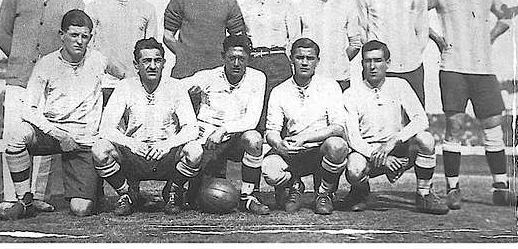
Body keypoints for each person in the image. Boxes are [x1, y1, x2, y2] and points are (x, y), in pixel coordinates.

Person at [0, 0, 86, 213]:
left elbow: (76, 37)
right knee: (14, 134)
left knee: (45, 135)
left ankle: (38, 195)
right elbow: (0, 33)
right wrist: (23, 57)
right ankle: (13, 197)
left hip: (53, 83)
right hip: (20, 79)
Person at [428, 0, 518, 209]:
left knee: (493, 126)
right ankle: (452, 189)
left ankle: (501, 188)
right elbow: (414, 13)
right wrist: (437, 38)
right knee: (456, 126)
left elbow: (507, 15)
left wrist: (491, 36)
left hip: (483, 70)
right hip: (453, 69)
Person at [0, 10, 116, 220]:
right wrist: (60, 135)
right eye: (74, 35)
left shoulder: (99, 60)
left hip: (84, 139)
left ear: (90, 37)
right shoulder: (46, 63)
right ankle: (25, 201)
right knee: (17, 136)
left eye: (85, 36)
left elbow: (126, 78)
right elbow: (29, 109)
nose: (79, 41)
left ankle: (93, 188)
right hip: (53, 133)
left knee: (81, 210)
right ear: (62, 35)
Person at [92, 38, 203, 216]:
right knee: (100, 149)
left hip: (166, 156)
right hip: (134, 156)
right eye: (146, 61)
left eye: (157, 60)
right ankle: (126, 193)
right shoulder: (125, 87)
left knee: (195, 150)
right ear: (136, 65)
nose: (152, 66)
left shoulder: (176, 87)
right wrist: (131, 143)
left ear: (164, 63)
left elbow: (192, 128)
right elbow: (106, 128)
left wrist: (167, 145)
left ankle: (173, 191)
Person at [341, 40, 449, 215]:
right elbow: (353, 137)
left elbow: (421, 120)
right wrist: (383, 158)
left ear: (387, 63)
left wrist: (393, 141)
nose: (373, 66)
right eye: (368, 61)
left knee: (426, 139)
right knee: (354, 169)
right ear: (362, 64)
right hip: (370, 154)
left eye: (378, 60)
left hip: (398, 148)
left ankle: (424, 193)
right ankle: (359, 193)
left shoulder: (400, 85)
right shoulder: (351, 94)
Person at [182, 34, 269, 215]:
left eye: (241, 59)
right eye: (231, 58)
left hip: (235, 137)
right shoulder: (208, 76)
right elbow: (174, 89)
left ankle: (249, 195)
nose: (236, 63)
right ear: (223, 57)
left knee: (254, 139)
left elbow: (252, 119)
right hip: (208, 137)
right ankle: (183, 191)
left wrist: (223, 130)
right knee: (200, 198)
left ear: (249, 58)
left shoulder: (257, 78)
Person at [262, 38, 349, 215]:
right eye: (299, 57)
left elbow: (338, 127)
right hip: (293, 151)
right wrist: (280, 145)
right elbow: (271, 130)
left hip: (319, 149)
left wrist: (306, 138)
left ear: (317, 61)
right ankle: (294, 185)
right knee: (270, 170)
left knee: (337, 146)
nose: (304, 62)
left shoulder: (329, 86)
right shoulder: (279, 90)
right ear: (291, 59)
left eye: (310, 58)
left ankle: (324, 194)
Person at [356, 0, 429, 106]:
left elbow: (422, 31)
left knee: (413, 123)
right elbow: (363, 33)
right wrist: (376, 62)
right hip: (379, 70)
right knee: (376, 121)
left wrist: (410, 56)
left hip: (411, 68)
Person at [241, 0, 299, 133]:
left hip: (278, 62)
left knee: (280, 107)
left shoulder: (286, 4)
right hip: (254, 62)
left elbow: (295, 38)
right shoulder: (245, 6)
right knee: (255, 108)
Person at [87, 0, 157, 81]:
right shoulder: (94, 7)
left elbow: (151, 52)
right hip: (102, 82)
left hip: (135, 83)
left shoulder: (147, 9)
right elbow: (88, 50)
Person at [298, 0, 361, 92]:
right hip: (311, 79)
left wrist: (339, 60)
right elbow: (296, 42)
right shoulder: (302, 6)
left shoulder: (348, 5)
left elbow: (355, 44)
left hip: (339, 77)